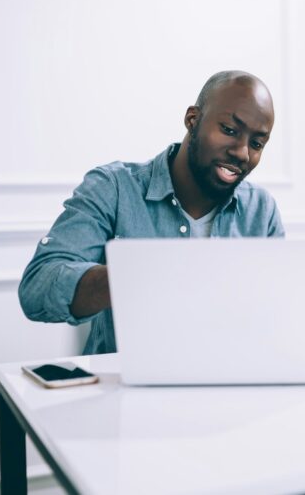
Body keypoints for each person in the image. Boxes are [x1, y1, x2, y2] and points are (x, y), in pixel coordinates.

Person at [19, 71, 284, 354]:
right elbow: (37, 288)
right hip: (125, 392)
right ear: (193, 120)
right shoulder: (114, 188)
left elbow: (276, 313)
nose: (243, 153)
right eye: (229, 130)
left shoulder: (262, 210)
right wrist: (141, 274)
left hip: (231, 385)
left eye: (257, 143)